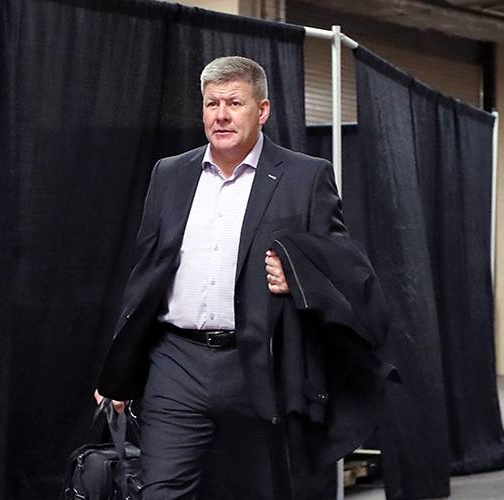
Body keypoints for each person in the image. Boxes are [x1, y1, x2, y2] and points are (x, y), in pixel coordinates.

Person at [93, 56, 388, 499]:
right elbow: (147, 276)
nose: (222, 115)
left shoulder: (305, 176)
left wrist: (299, 274)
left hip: (260, 365)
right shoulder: (170, 174)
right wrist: (121, 373)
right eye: (212, 103)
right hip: (176, 361)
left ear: (263, 110)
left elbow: (345, 266)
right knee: (161, 492)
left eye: (234, 102)